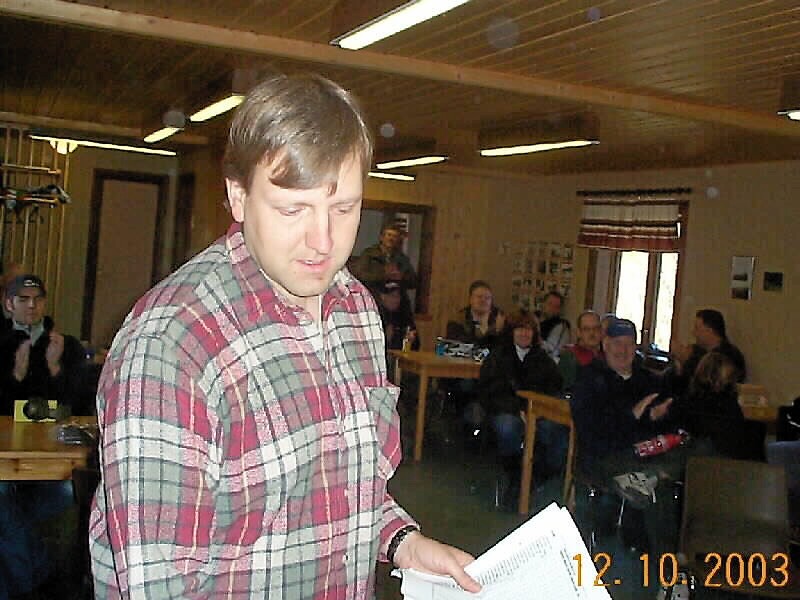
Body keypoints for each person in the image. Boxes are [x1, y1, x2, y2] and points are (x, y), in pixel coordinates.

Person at [89, 74, 480, 598]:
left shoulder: (356, 311)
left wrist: (401, 542)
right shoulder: (171, 347)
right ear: (238, 196)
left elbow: (337, 484)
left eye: (344, 209)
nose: (323, 241)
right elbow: (161, 585)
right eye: (293, 209)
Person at [476, 309, 562, 509]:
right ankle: (515, 475)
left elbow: (554, 390)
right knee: (508, 428)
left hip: (538, 413)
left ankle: (537, 475)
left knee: (555, 430)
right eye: (520, 329)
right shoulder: (498, 357)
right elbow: (489, 392)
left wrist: (537, 411)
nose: (524, 333)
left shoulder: (544, 360)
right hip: (505, 411)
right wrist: (517, 410)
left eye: (529, 329)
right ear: (511, 331)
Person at [0, 274, 87, 415]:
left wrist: (55, 368)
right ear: (9, 304)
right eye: (23, 299)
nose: (32, 305)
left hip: (55, 427)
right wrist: (16, 375)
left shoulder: (68, 345)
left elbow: (81, 403)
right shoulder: (3, 345)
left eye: (38, 299)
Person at [670, 308, 746, 395]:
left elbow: (706, 385)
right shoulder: (698, 352)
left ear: (709, 331)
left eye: (697, 328)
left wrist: (685, 360)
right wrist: (679, 363)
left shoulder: (729, 356)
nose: (693, 333)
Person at [352, 223, 418, 305]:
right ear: (382, 237)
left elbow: (413, 282)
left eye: (394, 236)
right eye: (389, 235)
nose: (391, 239)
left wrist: (401, 277)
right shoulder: (369, 254)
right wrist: (384, 275)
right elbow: (359, 275)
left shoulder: (402, 258)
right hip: (375, 299)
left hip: (397, 302)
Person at [446, 280, 505, 348]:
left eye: (487, 298)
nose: (483, 300)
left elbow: (503, 348)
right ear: (470, 299)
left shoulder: (500, 320)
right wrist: (483, 329)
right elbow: (459, 346)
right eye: (479, 297)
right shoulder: (457, 321)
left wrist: (498, 332)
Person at [558, 310, 603, 390]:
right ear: (578, 332)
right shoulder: (570, 357)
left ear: (601, 331)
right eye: (586, 329)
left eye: (596, 328)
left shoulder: (606, 357)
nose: (592, 333)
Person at [536, 290, 571, 362]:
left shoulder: (562, 325)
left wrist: (537, 340)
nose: (552, 309)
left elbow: (552, 351)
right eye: (550, 304)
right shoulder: (533, 318)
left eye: (556, 307)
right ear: (543, 304)